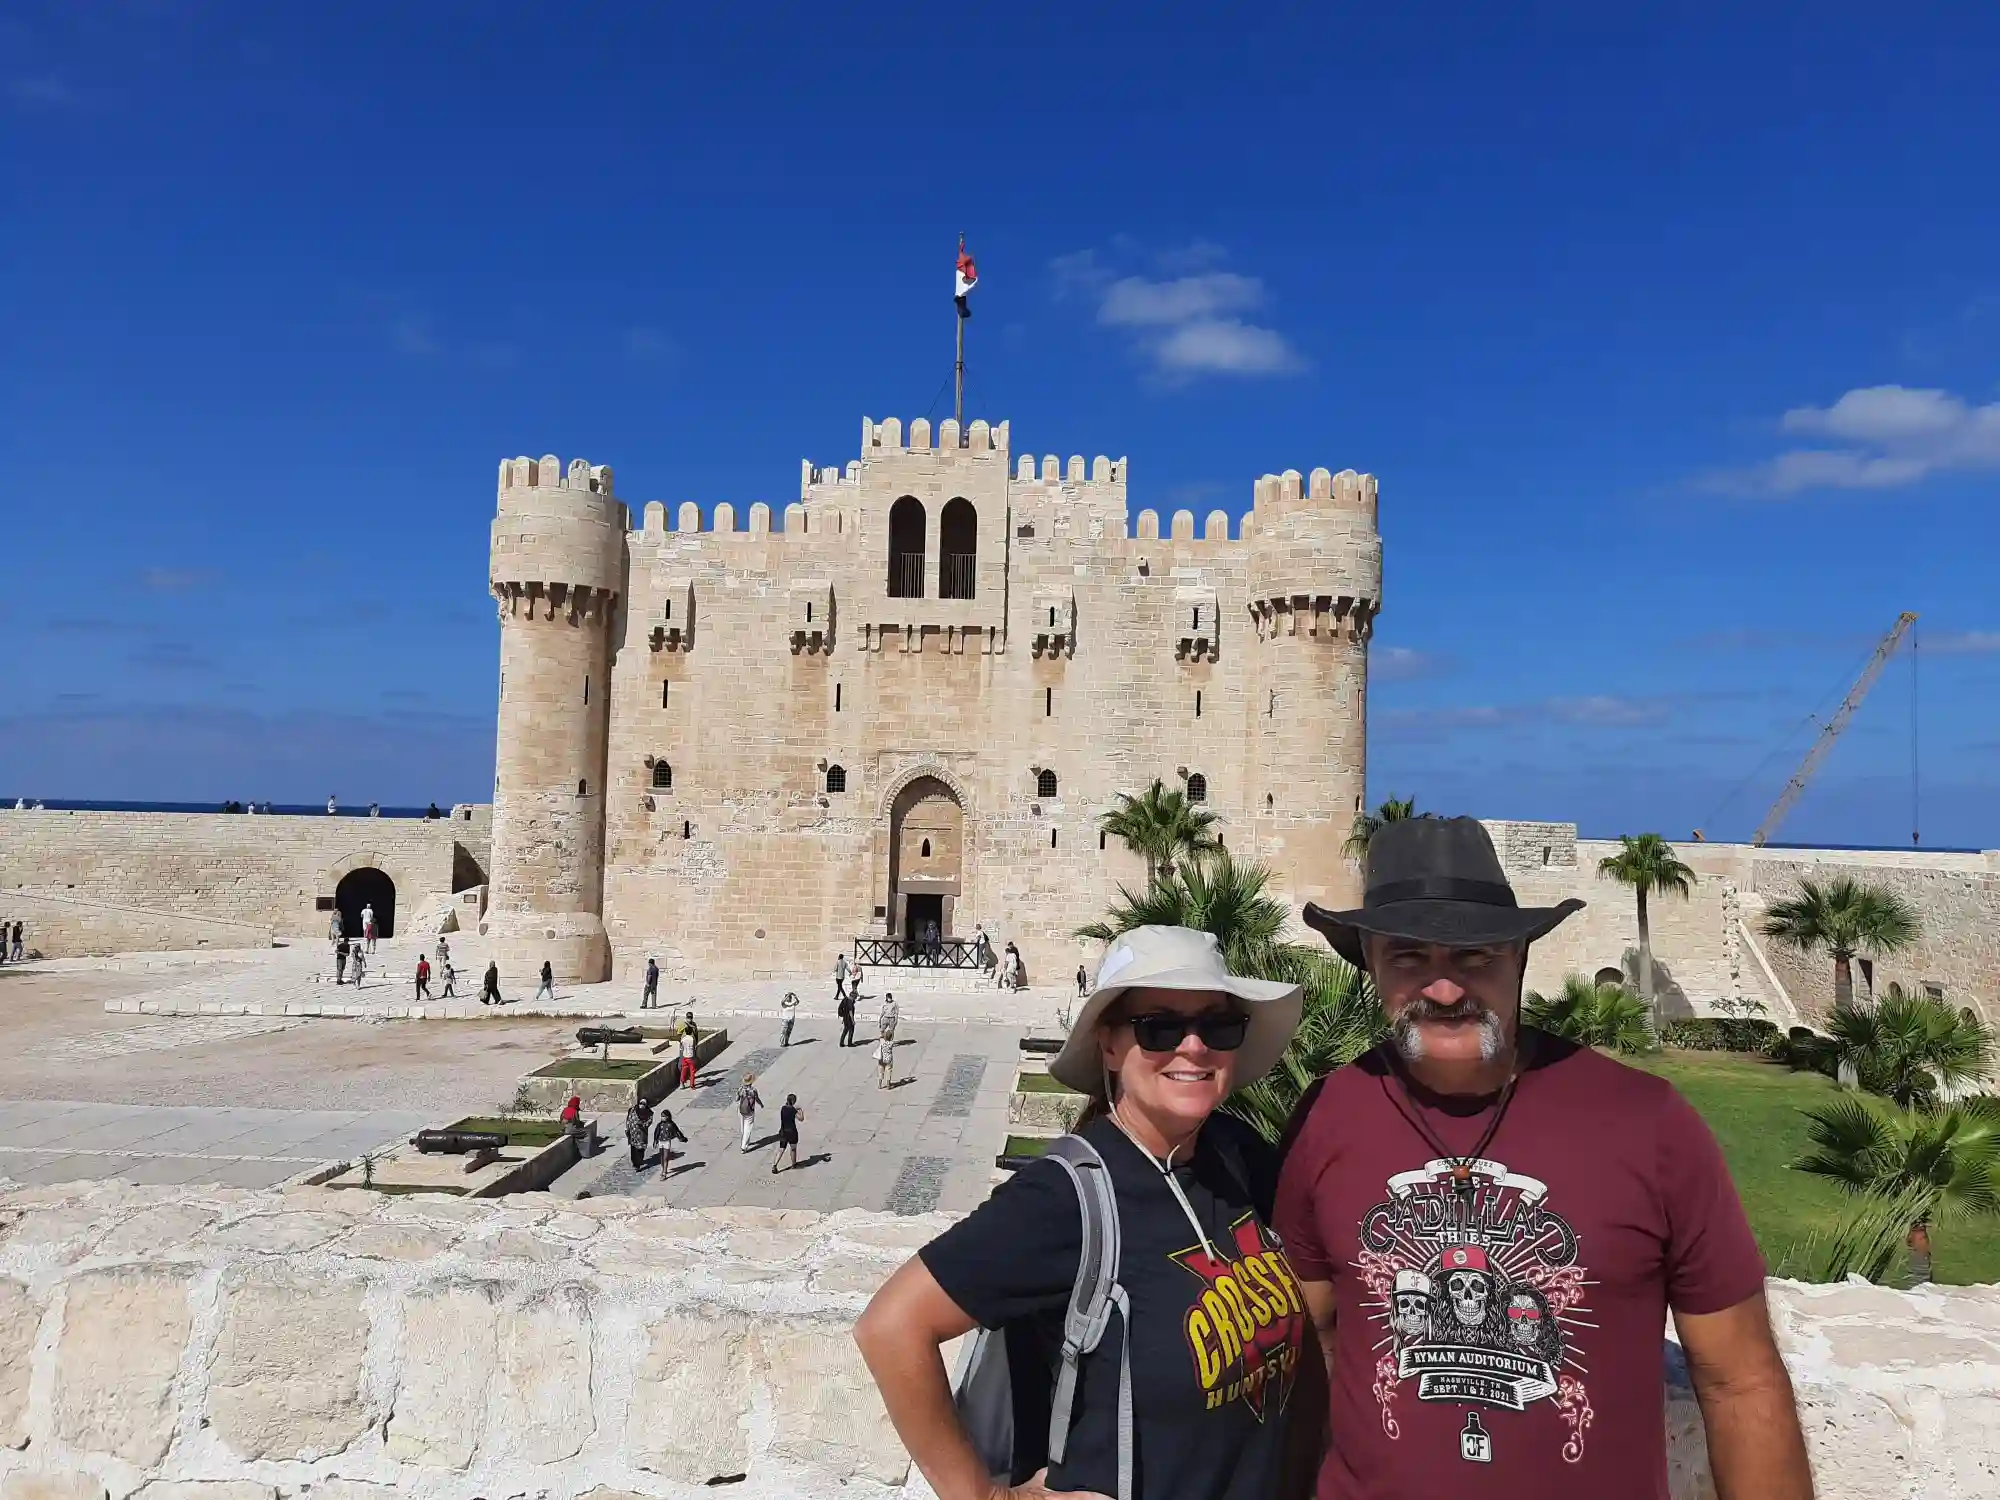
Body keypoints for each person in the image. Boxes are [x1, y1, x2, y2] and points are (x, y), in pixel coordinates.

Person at [1277, 816, 1812, 1499]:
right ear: (1373, 968)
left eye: (1475, 958)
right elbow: (1313, 1343)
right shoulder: (1327, 1116)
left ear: (1520, 960)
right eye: (1409, 958)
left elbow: (1741, 1380)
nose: (1445, 990)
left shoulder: (1647, 1123)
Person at [853, 925, 1306, 1500]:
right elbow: (891, 1327)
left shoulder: (1235, 1154)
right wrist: (990, 1498)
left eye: (1217, 1025)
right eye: (1160, 1026)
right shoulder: (1065, 1198)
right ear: (1110, 1045)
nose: (1193, 1046)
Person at [773, 1092, 804, 1173]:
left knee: (781, 1149)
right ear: (793, 1101)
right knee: (793, 1149)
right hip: (792, 1132)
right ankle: (794, 1164)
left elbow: (787, 1108)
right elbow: (801, 1119)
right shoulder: (793, 1110)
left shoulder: (783, 1108)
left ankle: (775, 1165)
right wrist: (800, 1110)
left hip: (783, 1131)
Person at [653, 1105, 689, 1175]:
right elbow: (656, 1133)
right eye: (661, 1116)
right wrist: (655, 1141)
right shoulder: (659, 1124)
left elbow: (677, 1132)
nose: (662, 1117)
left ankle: (664, 1172)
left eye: (664, 1116)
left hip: (666, 1141)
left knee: (665, 1157)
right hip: (660, 1141)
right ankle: (663, 1168)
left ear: (667, 1117)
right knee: (661, 1157)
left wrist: (682, 1138)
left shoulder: (671, 1124)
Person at [625, 1097, 655, 1171]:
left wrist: (642, 1124)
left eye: (644, 1104)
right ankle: (635, 1163)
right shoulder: (633, 1110)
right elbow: (628, 1119)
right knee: (633, 1149)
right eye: (641, 1103)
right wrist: (627, 1128)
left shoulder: (649, 1113)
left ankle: (638, 1163)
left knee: (640, 1149)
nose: (642, 1105)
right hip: (632, 1133)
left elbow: (649, 1122)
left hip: (641, 1134)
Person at [737, 1072, 764, 1152]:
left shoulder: (740, 1089)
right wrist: (761, 1104)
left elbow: (737, 1099)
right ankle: (744, 1146)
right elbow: (757, 1099)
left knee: (743, 1126)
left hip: (741, 1110)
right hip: (750, 1110)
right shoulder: (753, 1090)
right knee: (748, 1127)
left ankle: (745, 1140)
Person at [678, 1021, 698, 1089]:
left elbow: (681, 1047)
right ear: (691, 1032)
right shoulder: (692, 1039)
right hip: (691, 1057)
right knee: (692, 1071)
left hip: (685, 1057)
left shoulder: (683, 1039)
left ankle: (682, 1082)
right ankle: (692, 1085)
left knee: (684, 1070)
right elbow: (694, 1047)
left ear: (685, 1032)